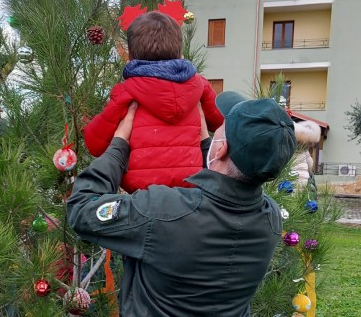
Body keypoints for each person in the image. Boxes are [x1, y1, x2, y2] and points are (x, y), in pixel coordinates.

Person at [67, 91, 297, 316]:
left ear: (222, 148)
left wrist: (118, 147)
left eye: (221, 127)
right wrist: (209, 145)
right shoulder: (270, 218)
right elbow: (233, 181)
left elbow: (81, 209)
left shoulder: (162, 211)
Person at [83, 11, 224, 193]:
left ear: (132, 56)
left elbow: (95, 143)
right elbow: (220, 122)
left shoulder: (126, 91)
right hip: (193, 186)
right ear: (180, 53)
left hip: (141, 192)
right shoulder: (199, 85)